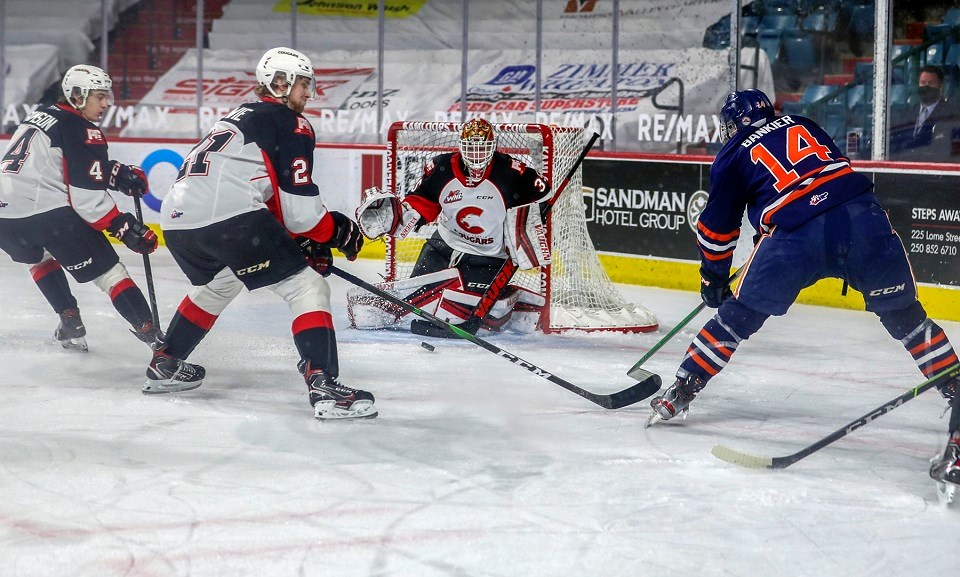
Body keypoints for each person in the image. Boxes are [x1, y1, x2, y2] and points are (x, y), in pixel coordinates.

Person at [646, 89, 960, 488]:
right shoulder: (805, 124)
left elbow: (716, 228)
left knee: (736, 318)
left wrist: (713, 277)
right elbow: (831, 172)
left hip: (795, 237)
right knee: (908, 320)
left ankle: (683, 387)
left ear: (734, 125)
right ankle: (955, 387)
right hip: (861, 219)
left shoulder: (732, 153)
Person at [144, 47, 375, 421]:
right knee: (307, 287)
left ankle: (166, 362)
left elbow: (267, 201)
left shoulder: (239, 117)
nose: (309, 93)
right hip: (228, 219)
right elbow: (300, 214)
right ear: (279, 83)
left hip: (177, 221)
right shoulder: (290, 122)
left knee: (219, 284)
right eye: (302, 84)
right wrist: (334, 232)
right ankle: (324, 383)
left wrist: (297, 241)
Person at [0, 64, 160, 352]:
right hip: (46, 215)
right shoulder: (83, 128)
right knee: (111, 275)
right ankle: (159, 345)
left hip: (5, 219)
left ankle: (69, 320)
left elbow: (66, 165)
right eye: (99, 96)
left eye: (107, 96)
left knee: (40, 256)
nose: (107, 103)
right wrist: (123, 227)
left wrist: (115, 173)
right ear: (76, 95)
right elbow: (86, 199)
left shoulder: (40, 115)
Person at [351, 118, 551, 336]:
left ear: (493, 147)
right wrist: (399, 216)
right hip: (443, 247)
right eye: (471, 147)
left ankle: (512, 301)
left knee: (471, 314)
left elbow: (544, 194)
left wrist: (534, 215)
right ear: (460, 146)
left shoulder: (512, 172)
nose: (476, 154)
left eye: (482, 148)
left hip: (489, 257)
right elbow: (423, 202)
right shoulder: (441, 168)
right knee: (416, 300)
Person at [889, 65, 960, 162]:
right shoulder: (909, 113)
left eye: (931, 83)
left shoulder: (951, 114)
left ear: (940, 86)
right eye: (923, 83)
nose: (926, 86)